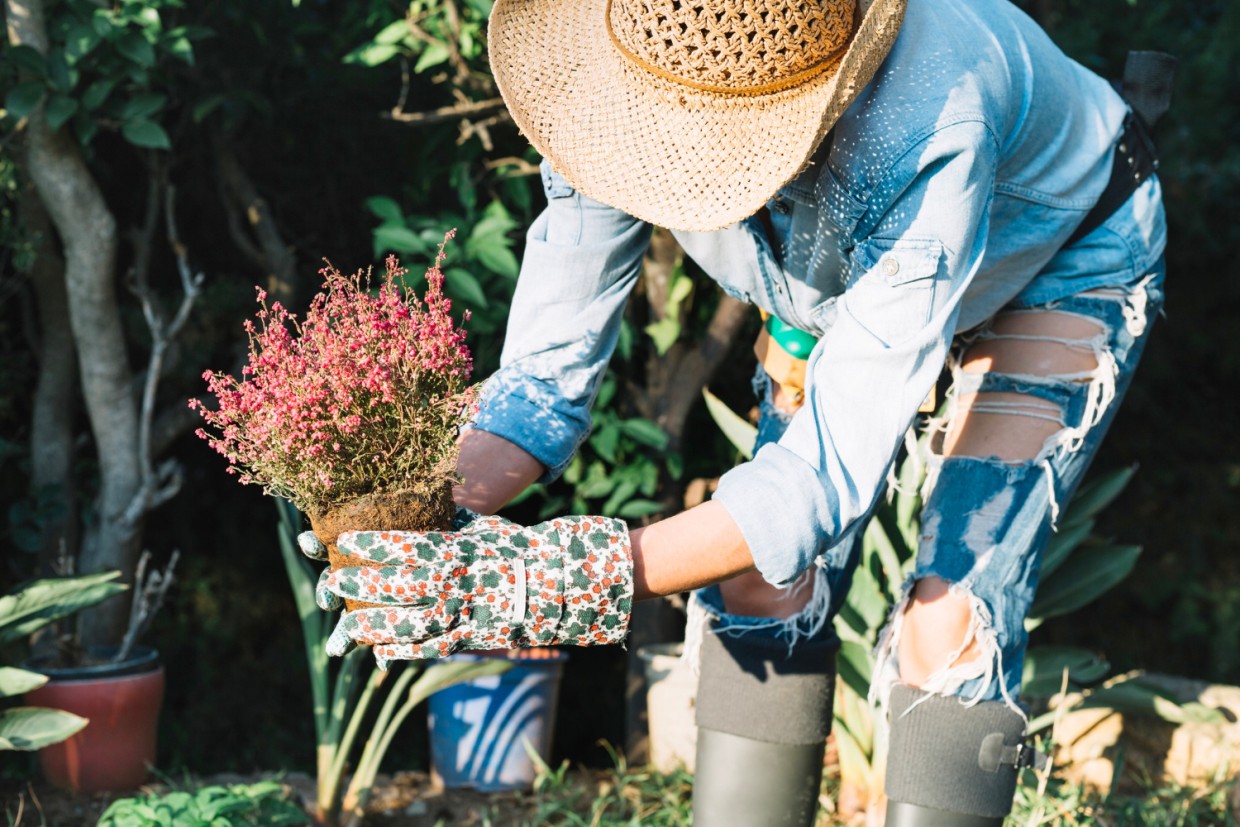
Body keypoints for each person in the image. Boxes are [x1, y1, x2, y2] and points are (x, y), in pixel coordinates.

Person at [300, 0, 1172, 823]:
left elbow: (816, 485)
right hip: (824, 277)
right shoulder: (615, 74)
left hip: (1061, 254)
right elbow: (543, 383)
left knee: (945, 619)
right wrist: (411, 519)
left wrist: (544, 580)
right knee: (758, 581)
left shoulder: (930, 117)